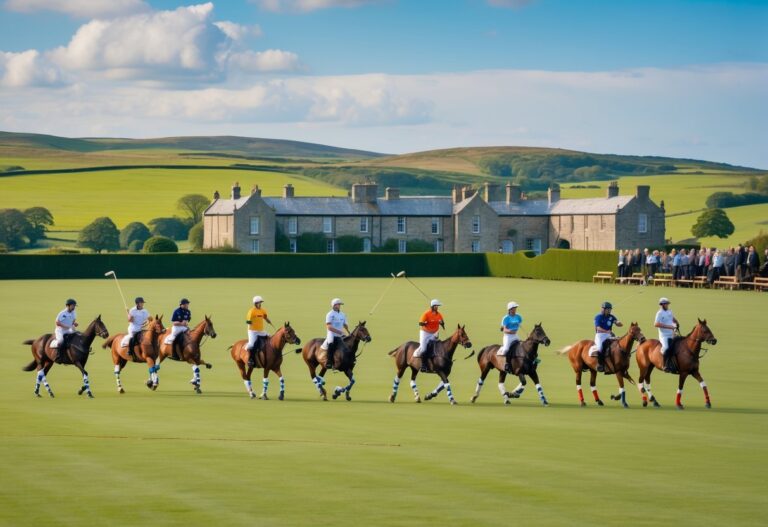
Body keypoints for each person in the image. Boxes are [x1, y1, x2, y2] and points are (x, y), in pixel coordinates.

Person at [414, 299, 445, 372]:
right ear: (432, 306)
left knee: (436, 348)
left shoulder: (439, 314)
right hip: (425, 333)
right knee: (424, 349)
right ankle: (423, 365)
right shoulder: (426, 314)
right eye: (436, 306)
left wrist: (442, 323)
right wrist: (425, 323)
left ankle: (435, 363)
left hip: (434, 332)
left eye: (438, 306)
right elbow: (420, 323)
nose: (437, 307)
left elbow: (442, 322)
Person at [593, 301, 623, 372]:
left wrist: (618, 323)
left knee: (618, 345)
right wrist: (607, 331)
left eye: (610, 309)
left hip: (609, 335)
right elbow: (598, 328)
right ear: (603, 309)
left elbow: (618, 323)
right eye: (608, 309)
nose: (609, 310)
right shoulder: (598, 317)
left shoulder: (611, 317)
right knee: (600, 348)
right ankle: (600, 365)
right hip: (600, 335)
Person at [321, 298, 349, 370]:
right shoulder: (330, 314)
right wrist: (340, 332)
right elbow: (329, 327)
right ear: (334, 305)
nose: (339, 306)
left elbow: (345, 325)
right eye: (338, 304)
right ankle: (329, 362)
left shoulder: (343, 314)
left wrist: (349, 332)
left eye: (340, 304)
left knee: (347, 345)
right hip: (331, 334)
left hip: (340, 333)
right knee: (330, 343)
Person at [654, 297, 679, 372]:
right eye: (666, 304)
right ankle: (664, 365)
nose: (667, 305)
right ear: (662, 304)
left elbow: (671, 318)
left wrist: (676, 322)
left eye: (668, 304)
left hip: (672, 333)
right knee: (666, 348)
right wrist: (669, 326)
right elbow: (656, 324)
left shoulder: (669, 311)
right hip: (664, 335)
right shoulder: (659, 313)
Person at [246, 295, 272, 367]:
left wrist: (268, 321)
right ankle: (250, 358)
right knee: (251, 344)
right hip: (252, 331)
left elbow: (265, 317)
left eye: (261, 302)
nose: (260, 304)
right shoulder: (251, 311)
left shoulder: (262, 310)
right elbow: (248, 321)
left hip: (261, 331)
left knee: (270, 337)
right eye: (259, 303)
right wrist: (251, 322)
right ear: (255, 303)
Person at [497, 301, 522, 372]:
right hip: (508, 336)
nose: (515, 309)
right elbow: (504, 329)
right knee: (506, 349)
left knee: (522, 346)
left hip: (515, 335)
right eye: (514, 308)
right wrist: (511, 331)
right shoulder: (506, 318)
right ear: (510, 309)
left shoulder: (518, 316)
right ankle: (506, 364)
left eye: (515, 308)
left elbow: (519, 324)